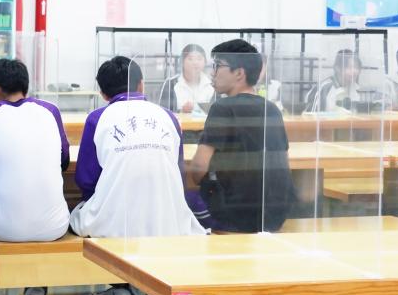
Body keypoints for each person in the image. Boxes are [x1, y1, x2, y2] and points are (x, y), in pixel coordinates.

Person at [71, 56, 204, 240]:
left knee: (76, 214)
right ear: (141, 85)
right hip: (166, 221)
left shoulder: (97, 118)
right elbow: (178, 172)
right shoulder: (168, 117)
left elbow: (85, 179)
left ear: (103, 93)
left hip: (114, 224)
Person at [0, 58, 70, 295]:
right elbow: (64, 160)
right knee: (40, 208)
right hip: (55, 227)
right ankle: (35, 293)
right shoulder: (50, 111)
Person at [189, 39, 295, 233]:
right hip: (273, 216)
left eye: (218, 66)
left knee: (185, 199)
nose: (212, 72)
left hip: (233, 217)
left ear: (239, 73)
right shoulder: (271, 109)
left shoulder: (222, 108)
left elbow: (198, 169)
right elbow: (282, 162)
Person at [158, 44, 215, 115]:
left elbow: (219, 114)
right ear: (182, 62)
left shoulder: (213, 85)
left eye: (199, 58)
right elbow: (162, 113)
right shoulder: (171, 84)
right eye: (190, 59)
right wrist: (181, 111)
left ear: (205, 62)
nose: (195, 62)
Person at [305, 49, 362, 113]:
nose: (354, 71)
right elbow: (311, 116)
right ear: (337, 68)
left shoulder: (355, 88)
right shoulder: (324, 88)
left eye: (356, 67)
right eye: (349, 67)